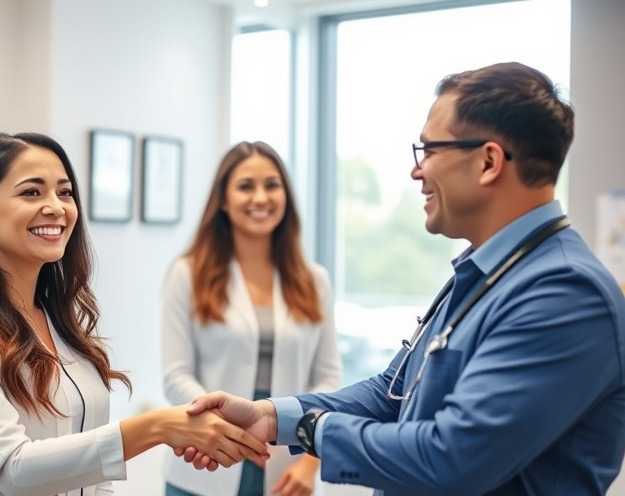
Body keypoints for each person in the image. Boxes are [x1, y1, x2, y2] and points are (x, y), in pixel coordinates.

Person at [181, 62, 625, 495]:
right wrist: (270, 416)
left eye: (429, 151)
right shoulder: (482, 273)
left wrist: (312, 428)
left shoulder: (565, 293)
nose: (417, 171)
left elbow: (452, 457)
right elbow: (392, 394)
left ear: (489, 162)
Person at [0, 132, 268, 496]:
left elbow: (93, 474)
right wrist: (158, 427)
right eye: (31, 192)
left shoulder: (58, 320)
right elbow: (11, 468)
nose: (56, 207)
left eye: (65, 192)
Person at [162, 141, 342, 496]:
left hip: (289, 467)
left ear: (286, 196)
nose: (260, 198)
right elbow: (176, 376)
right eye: (246, 186)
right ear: (224, 200)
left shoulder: (314, 280)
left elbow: (329, 379)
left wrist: (311, 460)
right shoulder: (188, 274)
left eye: (272, 185)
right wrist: (227, 428)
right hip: (206, 461)